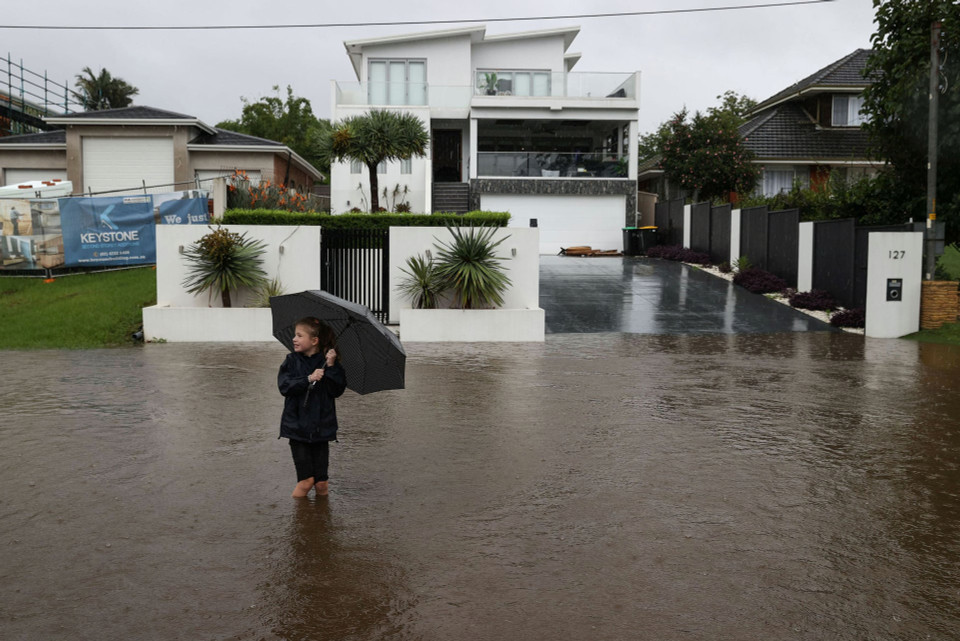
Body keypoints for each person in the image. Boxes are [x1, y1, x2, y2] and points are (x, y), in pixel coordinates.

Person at [277, 317, 346, 498]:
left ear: (314, 340)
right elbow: (284, 387)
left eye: (299, 336)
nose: (294, 339)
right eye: (295, 335)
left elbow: (337, 391)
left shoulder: (328, 362)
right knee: (306, 482)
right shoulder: (291, 360)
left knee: (322, 484)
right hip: (297, 429)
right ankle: (297, 514)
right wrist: (308, 378)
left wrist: (331, 366)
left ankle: (321, 515)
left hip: (321, 429)